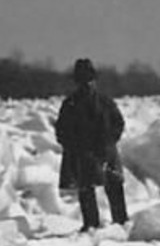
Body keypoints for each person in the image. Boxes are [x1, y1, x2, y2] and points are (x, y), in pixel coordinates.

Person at [54, 58, 128, 232]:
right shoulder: (71, 104)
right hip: (84, 153)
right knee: (86, 188)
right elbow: (62, 131)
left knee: (113, 186)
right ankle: (91, 225)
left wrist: (109, 142)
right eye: (83, 79)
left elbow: (118, 123)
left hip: (105, 150)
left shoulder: (104, 102)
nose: (86, 83)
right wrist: (74, 147)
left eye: (88, 79)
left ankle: (121, 222)